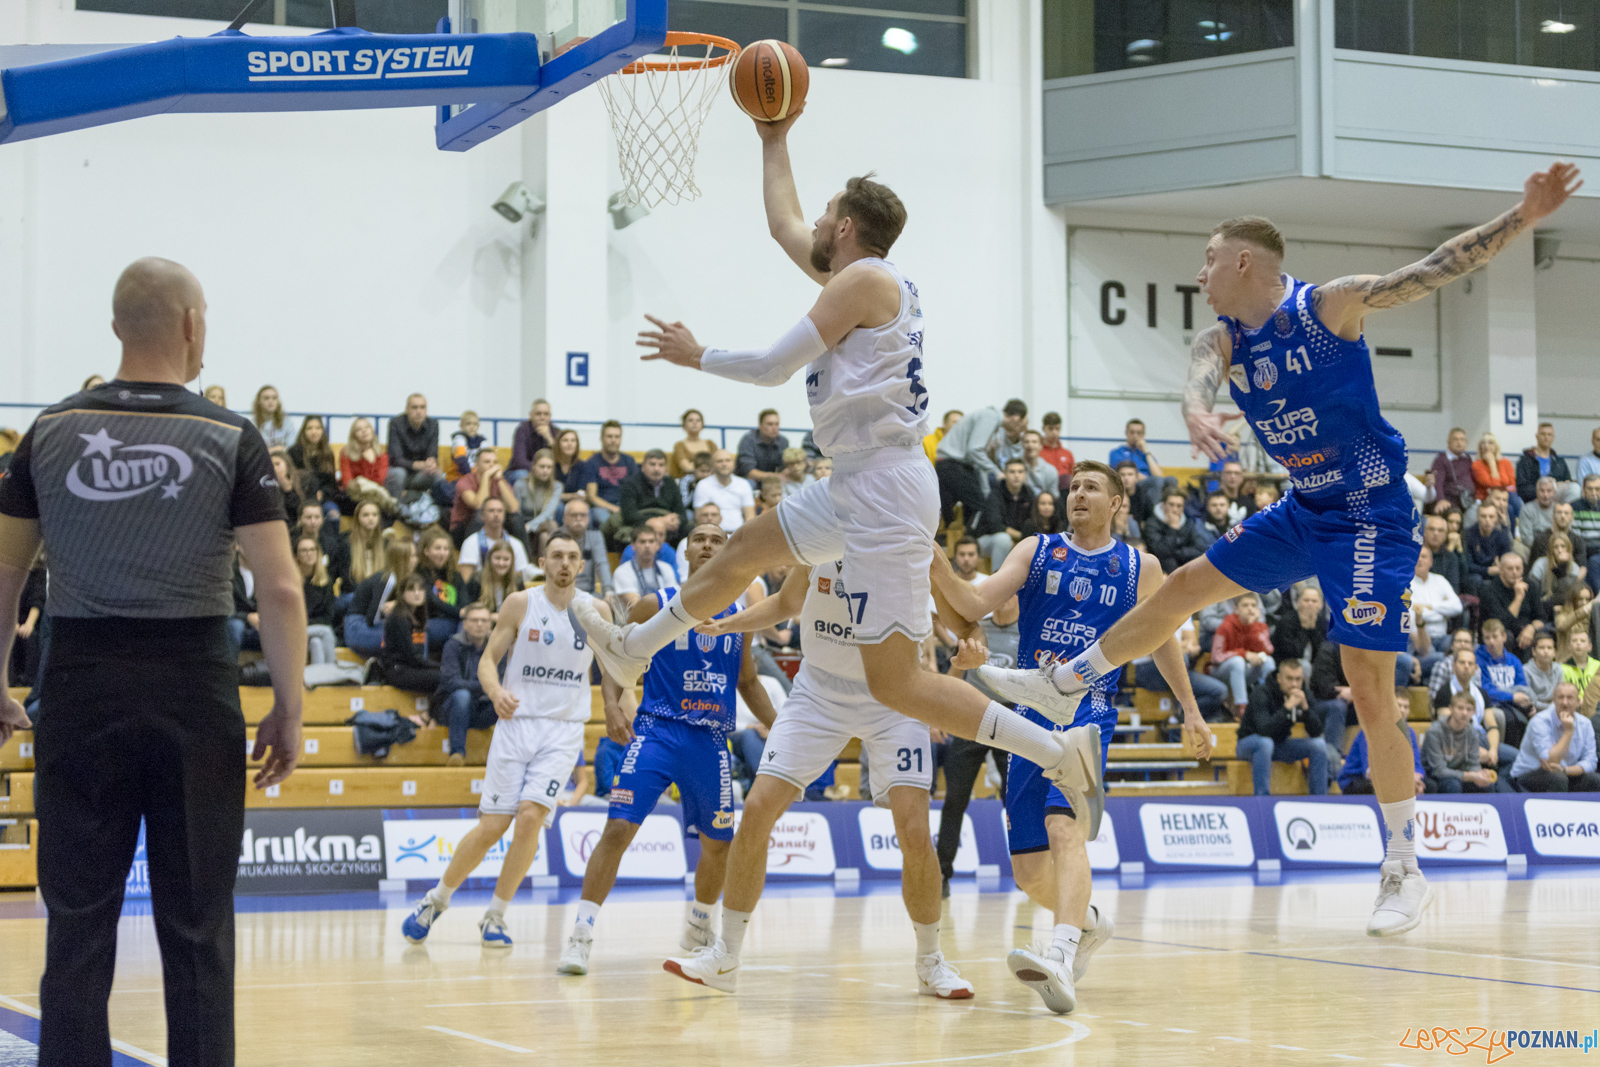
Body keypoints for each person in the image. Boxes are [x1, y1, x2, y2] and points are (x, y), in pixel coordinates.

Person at [979, 163, 1585, 938]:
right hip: (1304, 507)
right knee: (1183, 586)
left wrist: (1522, 216)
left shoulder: (1328, 306)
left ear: (1242, 262)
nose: (1198, 274)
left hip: (1369, 515)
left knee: (1369, 686)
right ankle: (1066, 682)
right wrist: (1197, 414)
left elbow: (1432, 270)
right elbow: (1199, 379)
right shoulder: (1223, 336)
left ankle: (1404, 861)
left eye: (1207, 259)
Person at [578, 104, 1090, 814]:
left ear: (847, 227)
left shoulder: (867, 280)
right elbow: (784, 224)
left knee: (899, 683)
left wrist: (697, 355)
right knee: (737, 553)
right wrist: (774, 139)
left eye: (827, 212)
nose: (815, 222)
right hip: (858, 479)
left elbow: (769, 366)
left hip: (883, 486)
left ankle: (1056, 749)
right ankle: (636, 647)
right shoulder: (854, 281)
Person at [0, 257, 305, 1065]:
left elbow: (3, 573)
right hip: (193, 692)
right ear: (193, 325)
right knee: (198, 924)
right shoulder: (229, 437)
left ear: (115, 326)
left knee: (76, 923)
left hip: (80, 688)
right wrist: (290, 703)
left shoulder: (51, 431)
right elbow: (278, 588)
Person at [929, 459, 1208, 1014]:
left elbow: (1164, 642)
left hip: (1090, 712)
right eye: (1073, 486)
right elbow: (976, 604)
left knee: (1065, 827)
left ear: (1117, 503)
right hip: (1030, 711)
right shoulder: (1036, 551)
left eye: (1091, 488)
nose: (1078, 495)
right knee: (1030, 870)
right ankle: (1087, 924)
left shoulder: (1140, 567)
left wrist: (1190, 709)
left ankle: (1058, 954)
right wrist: (930, 556)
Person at [661, 554, 974, 999]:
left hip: (895, 696)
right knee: (756, 810)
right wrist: (730, 624)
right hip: (819, 694)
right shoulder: (820, 546)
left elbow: (962, 616)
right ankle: (725, 956)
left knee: (914, 830)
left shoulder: (906, 545)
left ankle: (930, 963)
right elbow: (785, 603)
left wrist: (970, 643)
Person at [558, 523, 777, 975]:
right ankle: (580, 934)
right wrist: (612, 705)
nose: (708, 545)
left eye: (718, 540)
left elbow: (748, 680)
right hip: (657, 731)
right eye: (700, 538)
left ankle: (698, 929)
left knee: (720, 845)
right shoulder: (655, 603)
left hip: (711, 738)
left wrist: (780, 727)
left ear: (727, 552)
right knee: (617, 829)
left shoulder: (740, 613)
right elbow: (617, 656)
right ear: (685, 553)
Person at [401, 535, 622, 948]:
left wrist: (614, 706)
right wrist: (496, 690)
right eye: (557, 556)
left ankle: (496, 916)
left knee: (529, 819)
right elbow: (487, 660)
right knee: (492, 826)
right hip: (517, 724)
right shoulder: (521, 603)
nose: (565, 563)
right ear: (542, 561)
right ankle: (436, 899)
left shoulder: (597, 610)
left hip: (563, 730)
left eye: (573, 557)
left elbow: (614, 667)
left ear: (581, 565)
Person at [1237, 658, 1329, 795]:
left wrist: (1305, 709)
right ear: (1279, 678)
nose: (1294, 684)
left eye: (1298, 679)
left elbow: (1317, 732)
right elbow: (1264, 730)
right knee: (1265, 743)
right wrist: (1287, 708)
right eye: (1290, 679)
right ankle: (1262, 800)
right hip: (1249, 744)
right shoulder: (1262, 692)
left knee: (1319, 745)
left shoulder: (1304, 694)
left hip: (1280, 745)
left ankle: (1320, 800)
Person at [934, 400, 1027, 528]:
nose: (1020, 428)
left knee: (961, 511)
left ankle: (963, 538)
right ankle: (970, 539)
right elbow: (975, 450)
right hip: (952, 464)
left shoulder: (990, 418)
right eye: (1021, 423)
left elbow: (977, 461)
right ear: (1016, 418)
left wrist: (986, 489)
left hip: (950, 464)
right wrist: (997, 472)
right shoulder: (990, 417)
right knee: (981, 505)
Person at [433, 604, 499, 765]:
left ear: (490, 625)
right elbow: (452, 683)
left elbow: (502, 680)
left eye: (484, 620)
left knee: (511, 698)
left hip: (484, 707)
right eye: (474, 620)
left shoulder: (497, 647)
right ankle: (457, 754)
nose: (479, 624)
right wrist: (485, 686)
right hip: (454, 708)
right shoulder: (453, 645)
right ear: (465, 624)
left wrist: (493, 689)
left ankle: (510, 758)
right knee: (462, 695)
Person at [1509, 681, 1600, 791]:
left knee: (1594, 780)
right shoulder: (1540, 721)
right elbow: (1551, 762)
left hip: (1565, 773)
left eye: (1570, 698)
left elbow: (1591, 761)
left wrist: (1566, 770)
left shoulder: (1585, 723)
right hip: (1528, 775)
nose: (1565, 703)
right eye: (1560, 697)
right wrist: (1568, 732)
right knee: (1558, 778)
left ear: (1578, 702)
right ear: (1554, 700)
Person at [1340, 687, 1426, 796]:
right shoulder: (1371, 730)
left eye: (1406, 707)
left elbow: (1417, 764)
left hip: (1392, 778)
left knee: (1425, 785)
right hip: (1355, 779)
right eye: (1399, 705)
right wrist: (1403, 780)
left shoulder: (1409, 733)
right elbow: (1370, 771)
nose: (1403, 710)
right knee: (1376, 785)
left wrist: (1416, 777)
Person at [1209, 592, 1275, 719]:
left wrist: (1254, 629)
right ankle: (1241, 709)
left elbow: (1268, 650)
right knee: (1238, 661)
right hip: (1220, 671)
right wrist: (1244, 654)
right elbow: (1216, 657)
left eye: (1253, 605)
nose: (1250, 608)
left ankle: (1266, 702)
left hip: (1244, 671)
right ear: (1236, 609)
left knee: (1269, 661)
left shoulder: (1260, 626)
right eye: (1245, 605)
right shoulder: (1225, 626)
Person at [345, 540, 414, 657]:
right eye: (412, 556)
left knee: (416, 635)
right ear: (401, 559)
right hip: (358, 627)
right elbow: (372, 619)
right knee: (404, 638)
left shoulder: (408, 579)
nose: (416, 560)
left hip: (374, 625)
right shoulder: (387, 579)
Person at [1422, 690, 1498, 794]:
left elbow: (1474, 765)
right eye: (1460, 708)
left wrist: (1480, 775)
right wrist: (1471, 775)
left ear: (1473, 713)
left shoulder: (1472, 733)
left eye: (1469, 709)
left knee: (1487, 785)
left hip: (1459, 775)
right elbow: (1438, 771)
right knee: (1453, 784)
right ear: (1451, 709)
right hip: (1433, 776)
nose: (1464, 713)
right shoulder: (1435, 731)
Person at [385, 393, 453, 509]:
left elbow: (432, 453)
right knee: (398, 474)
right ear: (407, 409)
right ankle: (394, 513)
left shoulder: (433, 424)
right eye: (414, 407)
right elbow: (395, 458)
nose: (419, 411)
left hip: (420, 475)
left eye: (422, 407)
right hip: (401, 472)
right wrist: (419, 464)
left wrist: (431, 463)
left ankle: (437, 516)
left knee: (438, 476)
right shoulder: (395, 423)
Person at [382, 573, 441, 695]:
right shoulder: (399, 618)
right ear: (402, 594)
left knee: (447, 677)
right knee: (443, 677)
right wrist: (438, 666)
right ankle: (430, 713)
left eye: (421, 589)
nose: (417, 593)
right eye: (411, 589)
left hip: (410, 668)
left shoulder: (418, 616)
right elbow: (410, 656)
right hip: (398, 671)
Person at [974, 458, 1035, 576]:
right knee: (1003, 539)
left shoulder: (1029, 494)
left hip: (1016, 540)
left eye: (1020, 472)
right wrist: (1020, 537)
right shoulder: (995, 494)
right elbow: (995, 525)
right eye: (1012, 472)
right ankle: (997, 579)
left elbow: (1032, 522)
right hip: (987, 540)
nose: (1016, 475)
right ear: (1005, 474)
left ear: (1025, 475)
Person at [451, 446, 521, 546]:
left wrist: (500, 480)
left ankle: (524, 558)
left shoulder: (500, 481)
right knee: (480, 516)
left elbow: (514, 508)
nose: (492, 465)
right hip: (463, 527)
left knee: (516, 519)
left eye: (495, 462)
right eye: (487, 462)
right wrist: (486, 477)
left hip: (493, 523)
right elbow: (479, 505)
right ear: (476, 465)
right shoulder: (465, 481)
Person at [1409, 545, 1462, 673]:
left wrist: (1429, 607)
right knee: (1442, 659)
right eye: (1417, 556)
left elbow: (1457, 607)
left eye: (1424, 556)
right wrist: (1441, 613)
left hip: (1443, 637)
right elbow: (1411, 614)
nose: (1420, 560)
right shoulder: (1406, 583)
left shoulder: (1440, 580)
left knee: (1464, 648)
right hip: (1420, 640)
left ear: (1431, 562)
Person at [616, 447, 684, 547]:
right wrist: (658, 522)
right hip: (642, 523)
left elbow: (682, 514)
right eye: (652, 464)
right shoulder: (631, 483)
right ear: (643, 466)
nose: (657, 469)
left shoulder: (671, 483)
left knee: (688, 530)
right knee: (626, 532)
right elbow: (629, 515)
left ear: (665, 468)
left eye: (661, 465)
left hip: (667, 524)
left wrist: (676, 521)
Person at [457, 497, 533, 584]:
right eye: (491, 511)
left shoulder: (516, 544)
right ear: (482, 515)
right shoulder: (470, 543)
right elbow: (466, 580)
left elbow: (521, 579)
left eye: (500, 511)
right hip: (479, 593)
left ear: (504, 515)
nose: (496, 514)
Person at [580, 419, 638, 529]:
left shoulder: (629, 461)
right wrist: (613, 508)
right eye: (609, 436)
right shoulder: (591, 463)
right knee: (604, 518)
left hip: (626, 507)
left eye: (617, 437)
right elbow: (592, 497)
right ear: (601, 438)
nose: (613, 440)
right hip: (602, 508)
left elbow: (635, 491)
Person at [548, 499, 611, 597]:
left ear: (588, 519)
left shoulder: (595, 536)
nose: (578, 519)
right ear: (564, 518)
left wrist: (608, 591)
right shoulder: (556, 538)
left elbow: (602, 564)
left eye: (583, 515)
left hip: (589, 594)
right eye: (574, 515)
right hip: (561, 594)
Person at [1480, 552, 1541, 653]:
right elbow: (1502, 624)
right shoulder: (1488, 589)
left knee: (1540, 636)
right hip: (1502, 632)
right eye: (1510, 569)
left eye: (1518, 568)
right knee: (1507, 637)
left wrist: (1531, 628)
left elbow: (1541, 617)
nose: (1515, 572)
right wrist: (1518, 598)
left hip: (1526, 631)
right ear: (1501, 570)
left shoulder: (1531, 586)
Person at [294, 535, 338, 667]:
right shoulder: (291, 582)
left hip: (313, 630)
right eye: (304, 550)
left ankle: (318, 682)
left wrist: (310, 624)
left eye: (313, 550)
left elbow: (328, 616)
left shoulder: (325, 582)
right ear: (297, 556)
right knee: (326, 632)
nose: (309, 554)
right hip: (292, 630)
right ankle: (332, 673)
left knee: (316, 643)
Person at [1143, 490, 1209, 575]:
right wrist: (1172, 528)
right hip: (1161, 567)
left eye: (1179, 506)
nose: (1175, 509)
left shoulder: (1188, 523)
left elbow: (1199, 548)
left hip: (1183, 562)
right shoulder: (1152, 524)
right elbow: (1160, 552)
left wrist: (1178, 553)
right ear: (1163, 505)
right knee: (1169, 561)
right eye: (1171, 505)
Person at [613, 525, 677, 611]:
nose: (647, 546)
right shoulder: (622, 572)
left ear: (657, 545)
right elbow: (636, 607)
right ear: (633, 545)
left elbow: (674, 601)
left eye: (651, 541)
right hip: (633, 623)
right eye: (642, 542)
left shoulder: (666, 568)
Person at [692, 449, 756, 533]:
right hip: (713, 534)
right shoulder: (703, 485)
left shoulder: (743, 484)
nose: (724, 464)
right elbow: (699, 517)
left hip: (739, 535)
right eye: (719, 461)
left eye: (728, 460)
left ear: (734, 464)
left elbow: (750, 515)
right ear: (712, 465)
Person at [515, 448, 563, 559]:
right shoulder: (521, 484)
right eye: (542, 467)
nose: (545, 470)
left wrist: (530, 526)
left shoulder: (557, 486)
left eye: (549, 467)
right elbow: (517, 512)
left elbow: (548, 513)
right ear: (534, 467)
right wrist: (524, 527)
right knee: (549, 527)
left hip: (540, 524)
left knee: (547, 531)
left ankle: (547, 569)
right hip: (522, 524)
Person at [288, 415, 338, 515]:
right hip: (301, 498)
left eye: (318, 428)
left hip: (323, 498)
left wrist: (323, 493)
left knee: (333, 514)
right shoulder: (294, 451)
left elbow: (331, 483)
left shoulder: (328, 453)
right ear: (304, 431)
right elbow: (292, 479)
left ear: (322, 431)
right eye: (309, 428)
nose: (314, 432)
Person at [339, 417, 391, 512]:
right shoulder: (346, 453)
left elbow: (379, 481)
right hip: (353, 496)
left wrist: (371, 462)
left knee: (375, 500)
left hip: (374, 495)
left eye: (367, 427)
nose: (364, 431)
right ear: (354, 435)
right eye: (359, 429)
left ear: (372, 431)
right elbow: (347, 481)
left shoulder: (382, 455)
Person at [1517, 422, 1576, 504]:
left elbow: (1567, 483)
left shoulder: (1559, 461)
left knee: (1575, 488)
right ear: (1537, 436)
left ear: (1553, 438)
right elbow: (1522, 488)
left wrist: (1556, 485)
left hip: (1556, 502)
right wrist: (1543, 488)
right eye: (1543, 434)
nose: (1546, 437)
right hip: (1533, 501)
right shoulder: (1526, 460)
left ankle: (1565, 514)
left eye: (1549, 434)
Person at [1531, 532, 1584, 621]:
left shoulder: (1574, 567)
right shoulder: (1540, 564)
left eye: (1563, 546)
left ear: (1568, 549)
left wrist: (1562, 567)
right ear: (1551, 550)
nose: (1559, 550)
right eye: (1556, 547)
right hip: (1542, 607)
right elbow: (1533, 593)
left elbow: (1566, 595)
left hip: (1565, 609)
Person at [1272, 583, 1328, 667]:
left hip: (1317, 667)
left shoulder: (1324, 623)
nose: (1310, 604)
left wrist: (1312, 629)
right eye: (1306, 600)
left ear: (1320, 604)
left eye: (1314, 601)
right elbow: (1291, 653)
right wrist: (1305, 627)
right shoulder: (1286, 621)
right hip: (1287, 664)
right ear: (1298, 602)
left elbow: (1322, 652)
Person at [1463, 500, 1511, 597]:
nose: (1487, 520)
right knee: (1476, 579)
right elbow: (1467, 565)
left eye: (1491, 516)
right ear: (1477, 517)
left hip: (1494, 572)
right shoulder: (1467, 535)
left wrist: (1505, 527)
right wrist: (1488, 570)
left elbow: (1506, 561)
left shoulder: (1501, 536)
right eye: (1483, 516)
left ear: (1496, 518)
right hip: (1474, 574)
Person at [466, 541, 523, 621]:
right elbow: (469, 610)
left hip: (508, 626)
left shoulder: (518, 580)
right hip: (482, 624)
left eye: (506, 559)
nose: (501, 563)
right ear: (490, 558)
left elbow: (521, 612)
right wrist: (492, 617)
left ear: (512, 561)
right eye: (497, 558)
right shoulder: (477, 579)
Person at [507, 398, 554, 487]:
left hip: (546, 471)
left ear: (550, 416)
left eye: (546, 414)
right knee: (522, 475)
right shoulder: (522, 431)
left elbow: (560, 460)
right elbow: (519, 461)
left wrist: (550, 439)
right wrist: (539, 470)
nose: (542, 417)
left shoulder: (556, 432)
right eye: (538, 414)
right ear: (531, 415)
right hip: (524, 471)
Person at [1530, 500, 1588, 571]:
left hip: (1571, 578)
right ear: (1553, 515)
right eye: (1559, 512)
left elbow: (1582, 568)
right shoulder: (1540, 539)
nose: (1563, 516)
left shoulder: (1578, 540)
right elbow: (1534, 567)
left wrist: (1573, 581)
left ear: (1572, 517)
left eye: (1566, 513)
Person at [736, 408, 789, 482]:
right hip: (751, 482)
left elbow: (786, 467)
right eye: (770, 424)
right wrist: (776, 476)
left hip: (772, 483)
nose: (774, 428)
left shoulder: (783, 441)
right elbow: (750, 473)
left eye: (777, 424)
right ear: (760, 425)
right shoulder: (748, 441)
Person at [1430, 427, 1476, 511]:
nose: (1459, 442)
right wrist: (1441, 500)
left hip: (1468, 500)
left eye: (1462, 440)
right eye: (1455, 439)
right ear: (1448, 442)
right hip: (1451, 501)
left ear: (1466, 442)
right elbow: (1438, 483)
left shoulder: (1468, 459)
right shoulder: (1441, 460)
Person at [346, 500, 388, 589]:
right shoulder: (347, 543)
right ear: (357, 518)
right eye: (366, 515)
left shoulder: (385, 543)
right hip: (354, 593)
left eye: (374, 515)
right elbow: (347, 580)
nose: (371, 518)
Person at [1422, 513, 1466, 593]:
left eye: (1440, 530)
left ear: (1445, 535)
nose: (1436, 533)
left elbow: (1453, 589)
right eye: (1432, 529)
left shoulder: (1451, 558)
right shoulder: (1416, 554)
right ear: (1425, 531)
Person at [1524, 631, 1565, 709]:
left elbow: (1561, 695)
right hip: (1534, 711)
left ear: (1554, 652)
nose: (1546, 651)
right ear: (1534, 651)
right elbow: (1529, 700)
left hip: (1556, 710)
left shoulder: (1558, 669)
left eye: (1549, 648)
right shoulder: (1526, 671)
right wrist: (1552, 708)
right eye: (1541, 648)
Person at [1471, 432, 1516, 501]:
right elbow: (1495, 487)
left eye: (1490, 443)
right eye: (1483, 443)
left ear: (1496, 446)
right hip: (1486, 499)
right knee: (1509, 508)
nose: (1486, 446)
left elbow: (1512, 485)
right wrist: (1492, 463)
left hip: (1507, 496)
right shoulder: (1477, 465)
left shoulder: (1505, 462)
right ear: (1480, 447)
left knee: (1516, 501)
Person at [670, 407, 714, 478]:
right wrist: (707, 466)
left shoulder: (711, 444)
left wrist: (694, 465)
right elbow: (686, 468)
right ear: (684, 425)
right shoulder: (679, 445)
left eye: (698, 420)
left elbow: (716, 465)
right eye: (690, 420)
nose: (695, 422)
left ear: (702, 425)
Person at [251, 384, 296, 450]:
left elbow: (291, 447)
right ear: (259, 402)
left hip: (283, 458)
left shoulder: (287, 422)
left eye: (274, 398)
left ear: (278, 401)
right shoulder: (253, 423)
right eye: (266, 398)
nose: (270, 401)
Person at [1518, 476, 1559, 546]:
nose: (1545, 495)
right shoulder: (1527, 510)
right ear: (1537, 492)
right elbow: (1526, 538)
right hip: (1533, 548)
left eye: (1549, 491)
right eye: (1542, 491)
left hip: (1556, 548)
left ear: (1554, 493)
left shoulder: (1559, 510)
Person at [1038, 411, 1075, 488]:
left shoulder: (1068, 454)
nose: (1054, 432)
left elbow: (1073, 477)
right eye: (1050, 429)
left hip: (1064, 492)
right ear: (1043, 429)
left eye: (1057, 429)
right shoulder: (1038, 452)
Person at [552, 427, 586, 506]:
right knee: (558, 506)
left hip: (575, 504)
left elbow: (582, 494)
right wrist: (572, 496)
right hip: (554, 504)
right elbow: (549, 494)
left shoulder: (582, 465)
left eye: (573, 440)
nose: (569, 444)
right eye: (565, 440)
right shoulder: (551, 465)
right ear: (558, 444)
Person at [1020, 430, 1058, 498]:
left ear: (1041, 445)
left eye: (1034, 442)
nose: (1030, 445)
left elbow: (1054, 498)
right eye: (1027, 442)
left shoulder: (1051, 471)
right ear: (1022, 445)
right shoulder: (1014, 468)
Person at [448, 411, 485, 479]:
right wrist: (471, 477)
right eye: (468, 424)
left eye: (475, 424)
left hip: (477, 477)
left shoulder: (482, 441)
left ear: (478, 426)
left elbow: (486, 460)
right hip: (458, 477)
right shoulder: (459, 439)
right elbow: (461, 461)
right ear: (461, 425)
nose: (472, 427)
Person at [1573, 475, 1600, 556]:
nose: (1593, 493)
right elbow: (1576, 539)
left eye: (1597, 489)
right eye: (1590, 489)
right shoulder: (1575, 508)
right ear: (1584, 489)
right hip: (1585, 551)